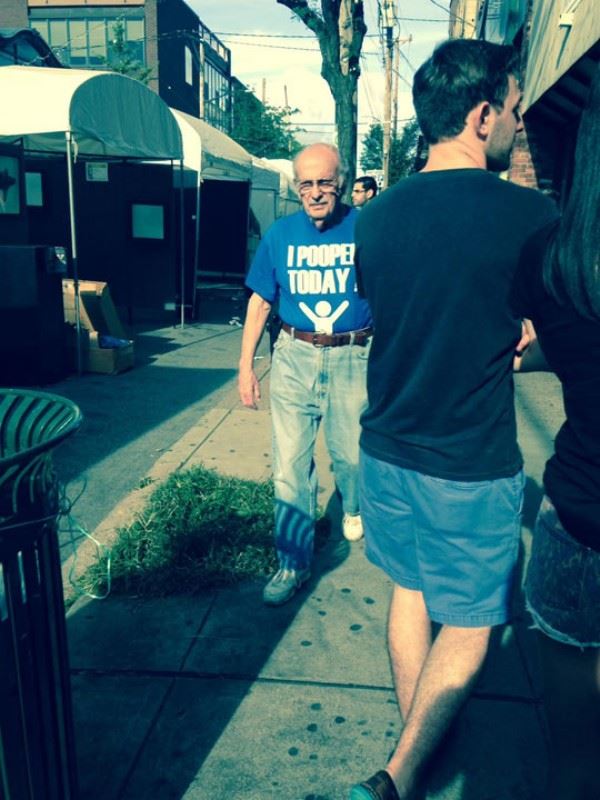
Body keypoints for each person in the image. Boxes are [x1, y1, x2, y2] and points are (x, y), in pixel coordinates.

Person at [349, 39, 557, 800]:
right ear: (480, 115)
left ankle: (417, 744)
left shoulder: (373, 218)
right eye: (511, 111)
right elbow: (554, 343)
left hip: (387, 447)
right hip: (469, 463)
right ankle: (400, 777)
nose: (516, 126)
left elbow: (395, 313)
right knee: (470, 624)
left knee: (409, 592)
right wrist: (522, 350)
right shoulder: (531, 217)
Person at [511, 63, 600, 800]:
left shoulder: (553, 263)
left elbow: (570, 347)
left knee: (571, 762)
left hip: (578, 525)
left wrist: (531, 355)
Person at [238, 143, 373, 606]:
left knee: (352, 457)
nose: (315, 192)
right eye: (307, 183)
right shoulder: (280, 235)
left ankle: (352, 505)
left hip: (354, 355)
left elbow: (396, 290)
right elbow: (259, 301)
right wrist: (246, 367)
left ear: (341, 183)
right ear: (297, 186)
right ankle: (292, 562)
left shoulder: (367, 228)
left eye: (325, 183)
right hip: (294, 355)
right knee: (290, 469)